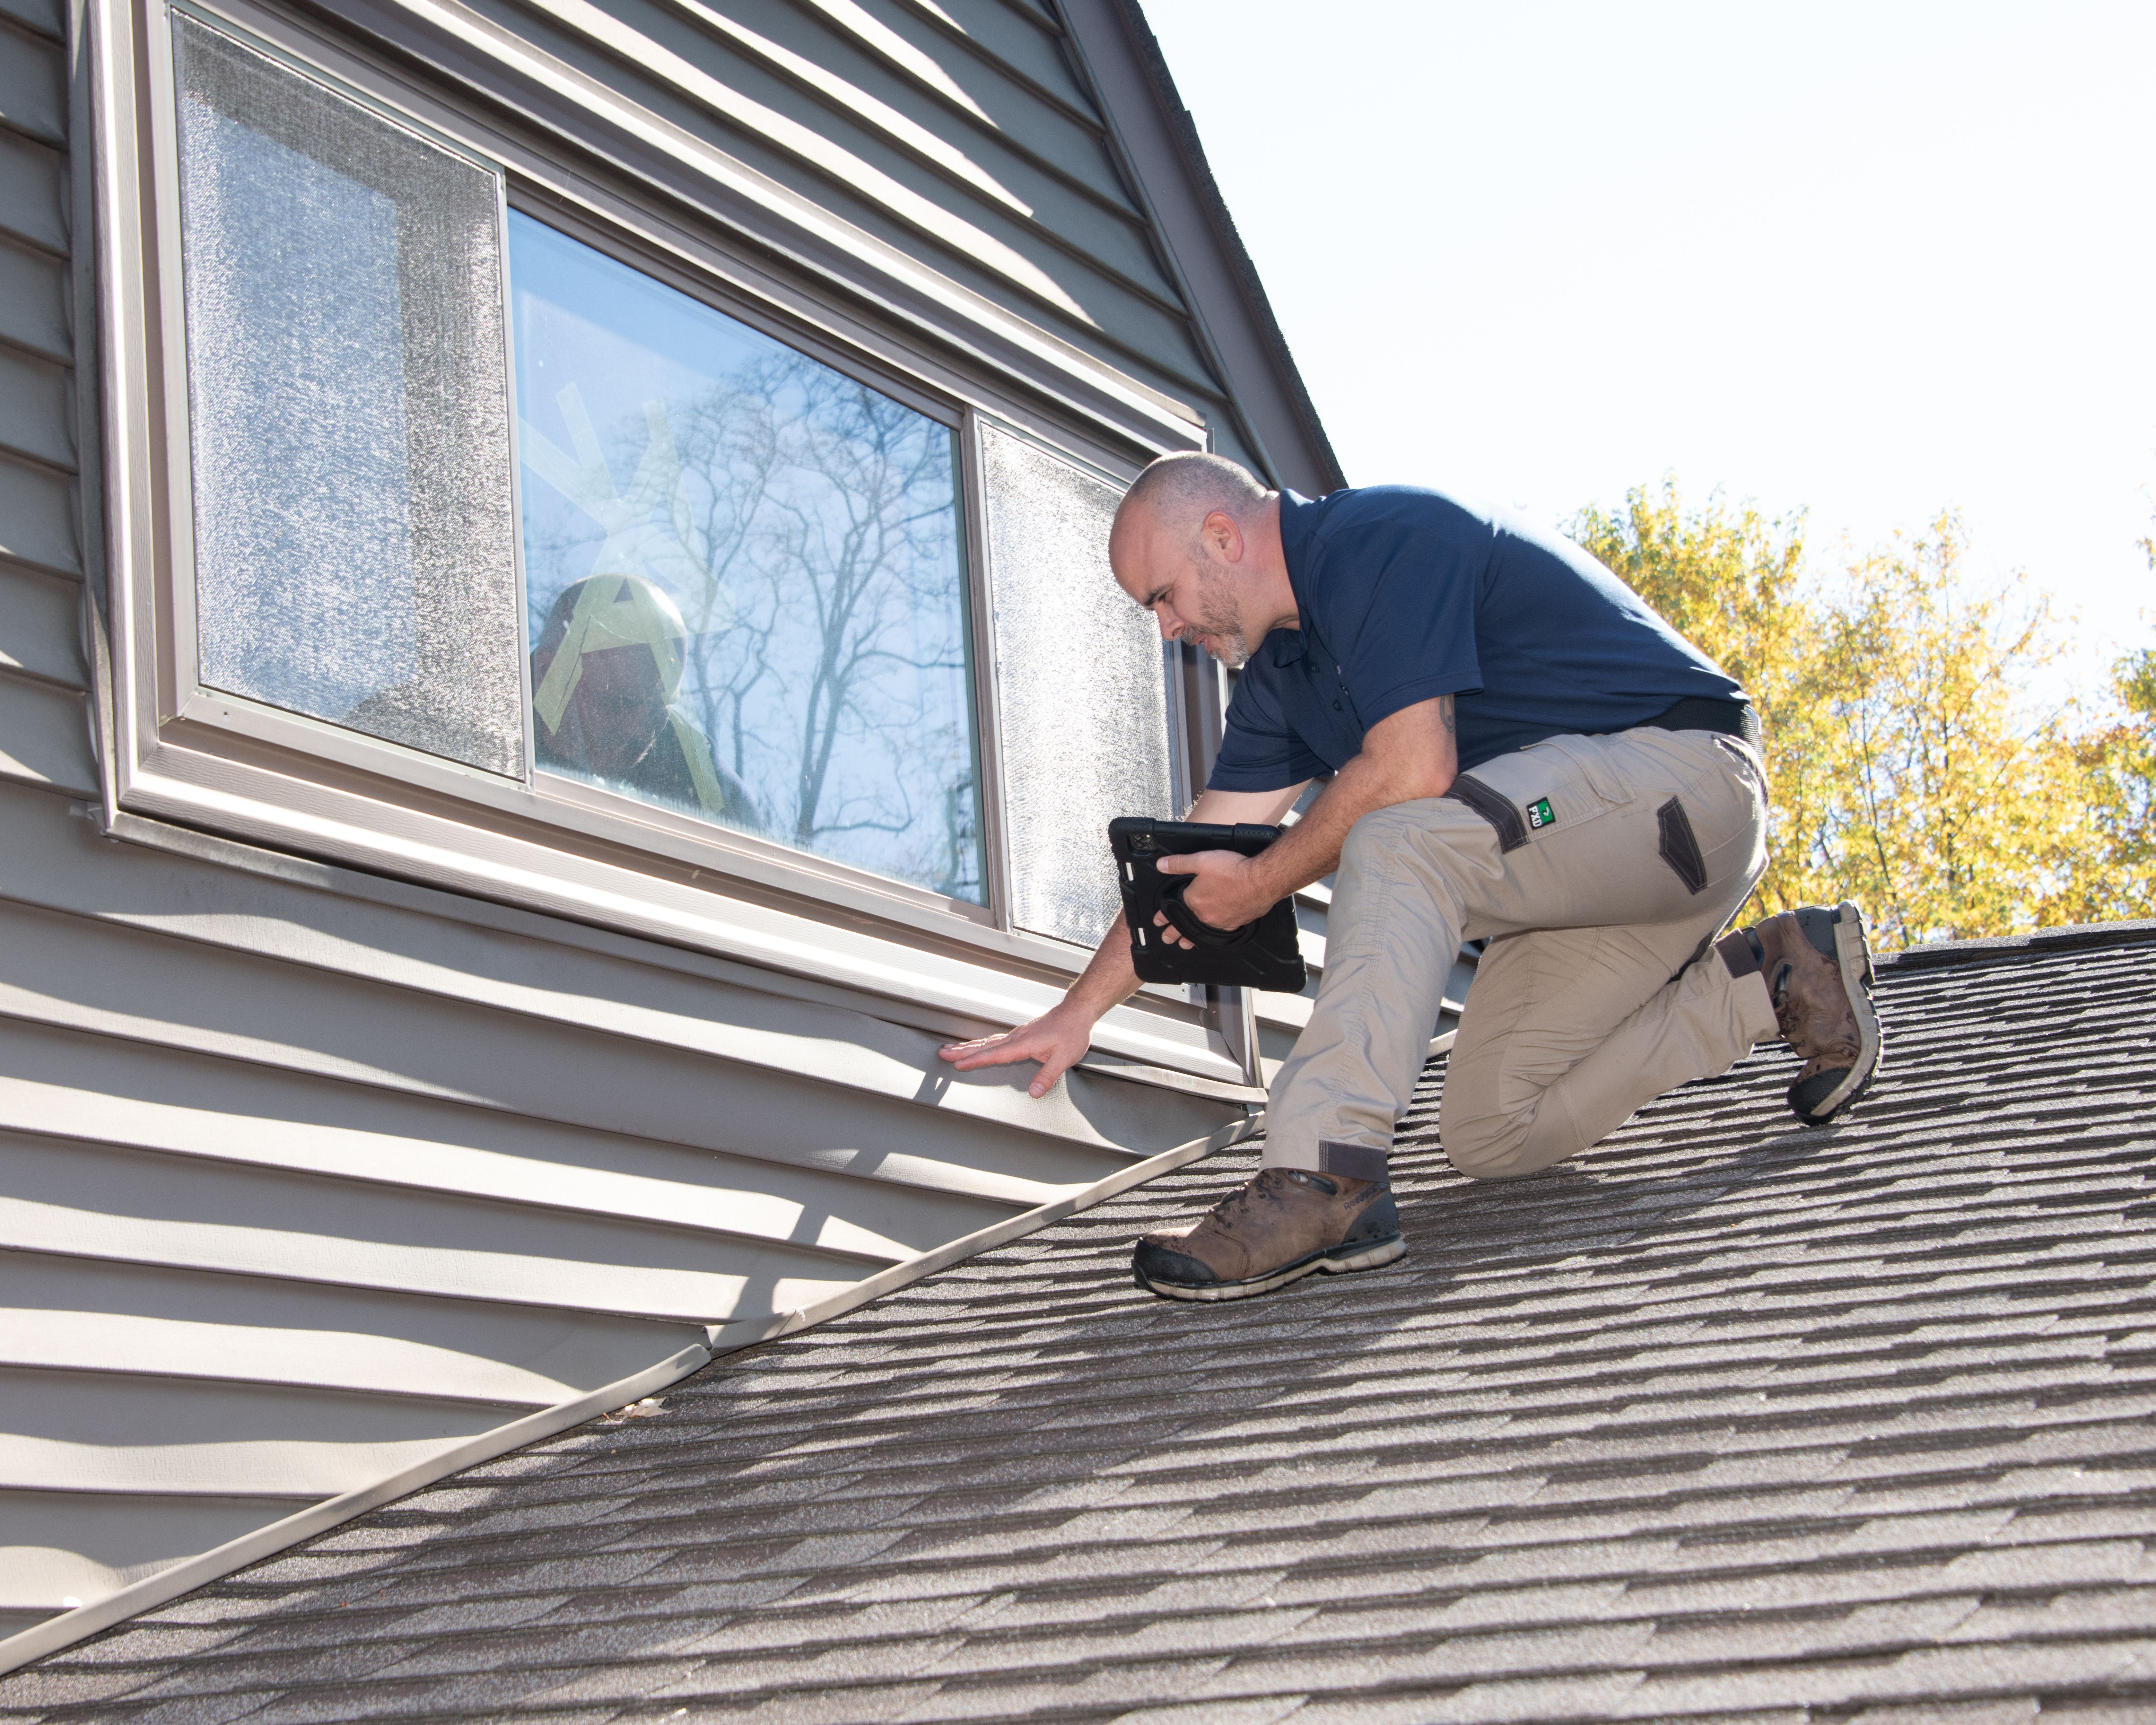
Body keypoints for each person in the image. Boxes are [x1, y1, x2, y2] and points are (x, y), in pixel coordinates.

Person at [940, 453, 1882, 1303]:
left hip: (1686, 788)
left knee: (1395, 834)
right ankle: (1775, 979)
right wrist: (1079, 1012)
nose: (1166, 626)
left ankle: (1322, 1174)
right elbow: (1198, 853)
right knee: (1488, 1132)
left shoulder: (1382, 541)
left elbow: (1410, 767)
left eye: (1161, 595)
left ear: (1221, 536)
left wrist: (1265, 882)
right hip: (1594, 876)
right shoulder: (1282, 676)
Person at [531, 573, 762, 832]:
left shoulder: (697, 778)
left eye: (657, 711)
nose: (637, 730)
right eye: (616, 704)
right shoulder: (492, 721)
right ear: (547, 673)